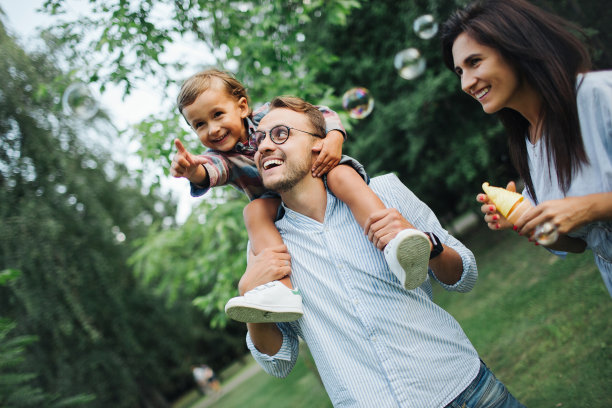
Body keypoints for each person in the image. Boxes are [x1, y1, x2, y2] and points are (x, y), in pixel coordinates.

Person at [243, 96, 525, 407]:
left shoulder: (383, 192)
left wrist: (428, 244)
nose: (264, 146)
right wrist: (252, 305)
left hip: (464, 390)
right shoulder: (264, 246)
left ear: (319, 145)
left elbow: (465, 276)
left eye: (280, 134)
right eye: (258, 140)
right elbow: (279, 364)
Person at [170, 69, 432, 323]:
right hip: (282, 205)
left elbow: (320, 114)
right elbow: (210, 172)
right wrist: (193, 171)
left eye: (217, 114)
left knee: (341, 175)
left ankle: (396, 246)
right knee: (253, 211)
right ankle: (282, 293)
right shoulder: (220, 158)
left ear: (241, 107)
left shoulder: (269, 115)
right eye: (200, 124)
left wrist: (334, 137)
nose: (213, 129)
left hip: (318, 175)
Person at [441, 0, 612, 295]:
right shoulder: (528, 143)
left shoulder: (596, 95)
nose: (466, 83)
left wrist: (586, 208)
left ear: (515, 48)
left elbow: (582, 213)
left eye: (475, 62)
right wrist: (527, 222)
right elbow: (578, 243)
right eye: (459, 72)